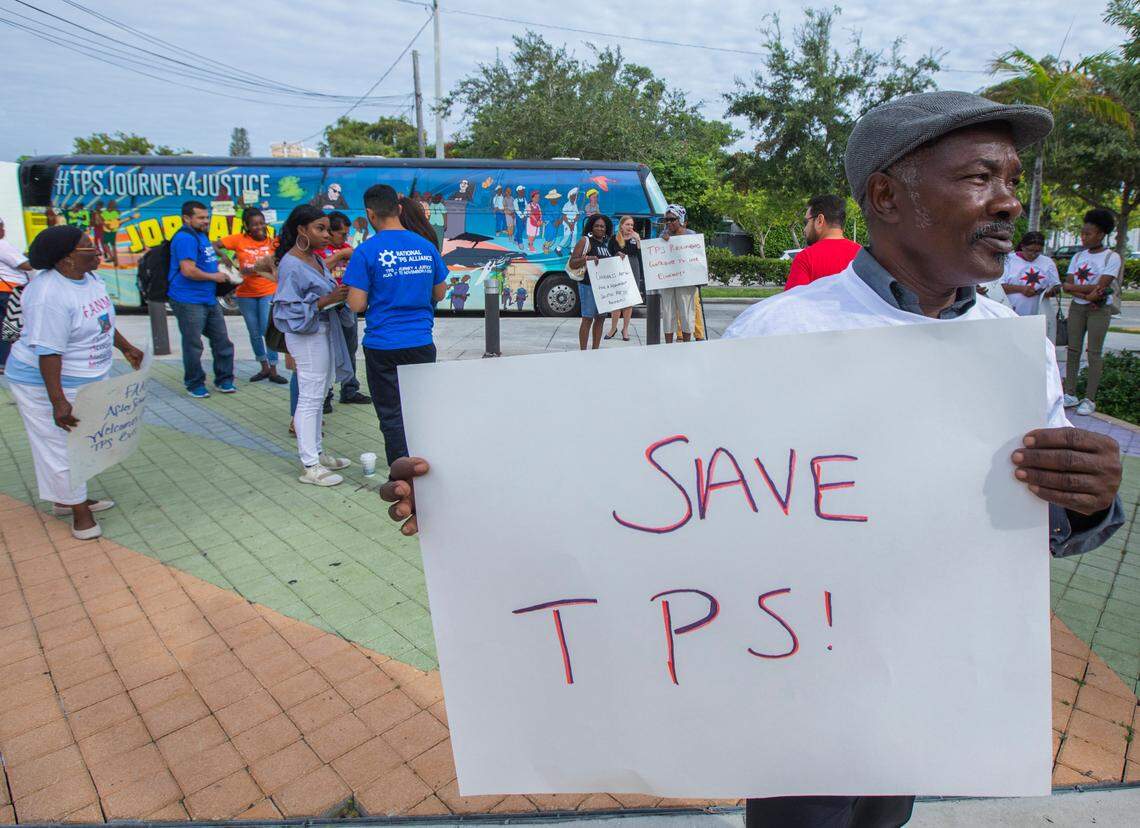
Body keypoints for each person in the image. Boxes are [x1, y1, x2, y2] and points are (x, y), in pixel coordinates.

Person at [379, 91, 1126, 828]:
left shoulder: (1007, 344)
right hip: (795, 675)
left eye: (1009, 178)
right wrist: (471, 503)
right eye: (979, 177)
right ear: (887, 197)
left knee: (884, 814)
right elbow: (656, 499)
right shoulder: (786, 333)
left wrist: (1085, 499)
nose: (1007, 204)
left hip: (917, 673)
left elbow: (1029, 519)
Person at [5, 225, 145, 539]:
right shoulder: (48, 294)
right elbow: (48, 353)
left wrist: (125, 347)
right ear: (66, 258)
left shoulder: (90, 279)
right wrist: (58, 401)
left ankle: (67, 498)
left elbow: (103, 321)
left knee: (81, 441)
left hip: (84, 379)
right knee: (59, 444)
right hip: (43, 383)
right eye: (87, 247)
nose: (97, 250)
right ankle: (79, 513)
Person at [345, 184, 448, 470]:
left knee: (392, 416)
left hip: (382, 346)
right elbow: (440, 293)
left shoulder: (365, 252)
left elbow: (356, 305)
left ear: (369, 213)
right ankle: (429, 470)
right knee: (422, 412)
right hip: (420, 343)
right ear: (399, 209)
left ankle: (402, 477)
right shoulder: (426, 246)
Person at [272, 206, 354, 487]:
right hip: (308, 335)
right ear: (301, 230)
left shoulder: (314, 260)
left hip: (322, 330)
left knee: (319, 393)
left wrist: (336, 298)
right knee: (310, 395)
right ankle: (310, 464)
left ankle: (317, 453)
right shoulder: (292, 264)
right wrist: (328, 299)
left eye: (328, 229)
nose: (327, 234)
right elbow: (287, 308)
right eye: (320, 228)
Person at [167, 201, 236, 398]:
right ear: (187, 218)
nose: (206, 221)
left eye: (207, 217)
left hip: (208, 298)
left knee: (222, 341)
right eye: (201, 217)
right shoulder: (184, 238)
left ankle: (224, 380)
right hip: (188, 299)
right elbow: (188, 270)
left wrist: (221, 255)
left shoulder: (200, 235)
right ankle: (194, 383)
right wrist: (215, 277)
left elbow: (207, 253)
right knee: (193, 344)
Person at [1063, 209, 1124, 417]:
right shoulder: (1078, 256)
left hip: (1099, 309)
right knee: (1073, 350)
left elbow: (1102, 285)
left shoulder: (1111, 257)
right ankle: (1070, 393)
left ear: (1101, 234)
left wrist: (1082, 290)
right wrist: (1088, 291)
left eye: (1088, 233)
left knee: (1094, 353)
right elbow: (1067, 285)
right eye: (1082, 233)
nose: (1083, 237)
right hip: (1078, 308)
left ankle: (1090, 399)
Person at [215, 207, 286, 384]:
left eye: (261, 223)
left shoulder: (273, 242)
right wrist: (224, 256)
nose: (259, 227)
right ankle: (264, 367)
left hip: (267, 291)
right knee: (254, 332)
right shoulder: (238, 240)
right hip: (245, 293)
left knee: (266, 328)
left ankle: (274, 368)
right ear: (246, 226)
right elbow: (213, 244)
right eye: (254, 224)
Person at [315, 211, 371, 407]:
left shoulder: (349, 249)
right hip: (327, 307)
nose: (345, 238)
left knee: (349, 348)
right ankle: (325, 395)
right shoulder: (321, 250)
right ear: (329, 232)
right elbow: (317, 270)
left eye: (347, 234)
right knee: (328, 351)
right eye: (341, 234)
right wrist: (339, 255)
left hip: (347, 306)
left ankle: (349, 389)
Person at [784, 194, 862, 290]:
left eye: (806, 222)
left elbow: (792, 302)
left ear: (820, 220)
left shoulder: (805, 259)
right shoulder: (863, 256)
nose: (805, 229)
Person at [568, 213, 615, 350]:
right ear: (591, 227)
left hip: (603, 288)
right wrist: (586, 259)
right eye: (597, 226)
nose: (600, 229)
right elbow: (572, 263)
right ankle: (583, 351)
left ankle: (595, 350)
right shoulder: (585, 241)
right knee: (587, 319)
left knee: (600, 319)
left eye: (602, 226)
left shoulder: (605, 244)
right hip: (588, 286)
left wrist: (618, 257)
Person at [1000, 230, 1061, 336]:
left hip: (1039, 312)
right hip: (1012, 310)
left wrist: (1050, 291)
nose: (1033, 255)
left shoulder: (1048, 262)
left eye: (1037, 251)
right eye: (1030, 250)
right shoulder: (1009, 260)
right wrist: (1021, 289)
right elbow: (999, 286)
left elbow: (1057, 286)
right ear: (1022, 246)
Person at [656, 204, 699, 343]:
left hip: (686, 280)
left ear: (680, 219)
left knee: (687, 312)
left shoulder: (691, 235)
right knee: (668, 312)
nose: (668, 222)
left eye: (671, 219)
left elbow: (697, 257)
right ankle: (669, 345)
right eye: (666, 220)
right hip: (668, 280)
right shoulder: (662, 236)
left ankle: (686, 344)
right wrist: (663, 240)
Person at [0, 216, 34, 373]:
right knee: (11, 328)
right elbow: (26, 265)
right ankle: (5, 362)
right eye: (2, 226)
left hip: (3, 290)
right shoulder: (2, 245)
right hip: (10, 292)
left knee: (4, 327)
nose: (4, 230)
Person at [605, 215, 641, 342]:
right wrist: (616, 254)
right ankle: (613, 328)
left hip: (633, 268)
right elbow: (607, 253)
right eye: (627, 224)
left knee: (628, 301)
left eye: (632, 225)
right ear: (621, 225)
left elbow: (641, 255)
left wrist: (638, 241)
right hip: (618, 270)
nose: (630, 227)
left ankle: (625, 329)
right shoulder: (614, 239)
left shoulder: (635, 238)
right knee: (617, 300)